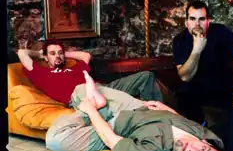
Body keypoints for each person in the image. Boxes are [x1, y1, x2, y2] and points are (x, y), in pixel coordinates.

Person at [46, 70, 232, 151]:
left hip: (117, 123)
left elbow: (111, 140)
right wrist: (168, 111)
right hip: (137, 107)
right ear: (206, 142)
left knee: (55, 139)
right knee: (79, 89)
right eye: (203, 149)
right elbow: (188, 123)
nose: (192, 149)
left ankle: (94, 105)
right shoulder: (211, 139)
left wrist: (91, 110)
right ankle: (95, 100)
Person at [172, 0, 233, 125]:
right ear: (186, 22)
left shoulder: (221, 32)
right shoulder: (180, 40)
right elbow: (185, 77)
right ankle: (200, 128)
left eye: (202, 19)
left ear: (208, 21)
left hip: (221, 87)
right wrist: (196, 50)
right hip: (195, 90)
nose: (197, 24)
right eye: (192, 19)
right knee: (183, 93)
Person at [16, 38, 163, 108]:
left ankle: (158, 112)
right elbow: (22, 53)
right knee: (130, 103)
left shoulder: (74, 68)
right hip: (84, 96)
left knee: (146, 76)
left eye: (60, 53)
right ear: (46, 57)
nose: (58, 56)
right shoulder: (41, 73)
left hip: (103, 88)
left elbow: (85, 56)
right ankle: (146, 110)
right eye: (52, 54)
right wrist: (40, 54)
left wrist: (62, 54)